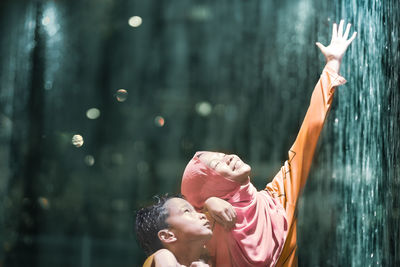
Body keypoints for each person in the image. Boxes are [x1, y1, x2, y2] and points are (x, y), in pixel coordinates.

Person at [181, 20, 357, 267]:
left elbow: (309, 133)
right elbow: (173, 226)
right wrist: (207, 207)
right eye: (216, 164)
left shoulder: (278, 198)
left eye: (221, 154)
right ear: (212, 186)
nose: (228, 156)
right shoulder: (208, 229)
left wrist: (332, 64)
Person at [135, 195, 214, 267]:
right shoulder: (163, 255)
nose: (202, 215)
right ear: (167, 235)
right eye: (187, 211)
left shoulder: (207, 260)